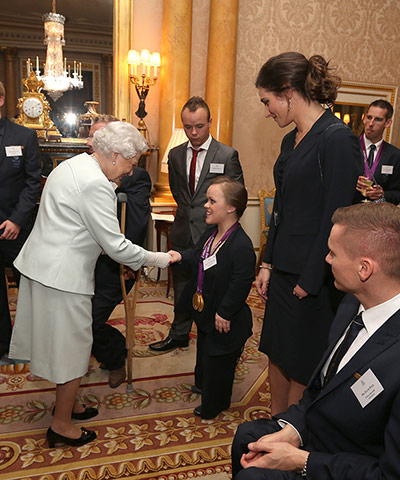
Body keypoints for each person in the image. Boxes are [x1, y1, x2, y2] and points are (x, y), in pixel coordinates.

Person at [9, 121, 170, 448]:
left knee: (63, 346)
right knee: (73, 351)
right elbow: (116, 246)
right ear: (114, 155)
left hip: (43, 268)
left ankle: (68, 406)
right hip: (63, 277)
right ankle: (62, 425)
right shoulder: (95, 184)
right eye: (131, 162)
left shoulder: (73, 165)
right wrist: (162, 259)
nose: (130, 171)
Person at [232, 202, 400, 480]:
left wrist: (302, 461)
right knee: (247, 436)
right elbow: (320, 389)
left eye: (333, 253)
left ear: (364, 268)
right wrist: (293, 431)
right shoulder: (348, 305)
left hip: (349, 464)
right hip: (322, 432)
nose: (326, 259)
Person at [255, 52, 363, 415]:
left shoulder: (337, 138)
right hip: (284, 267)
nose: (267, 111)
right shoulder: (291, 140)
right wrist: (267, 262)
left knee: (302, 362)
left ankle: (292, 436)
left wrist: (311, 278)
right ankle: (274, 424)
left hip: (311, 276)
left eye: (267, 101)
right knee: (277, 352)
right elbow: (281, 208)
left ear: (288, 91)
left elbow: (336, 218)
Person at [150, 96, 244, 353]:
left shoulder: (226, 155)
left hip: (214, 237)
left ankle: (212, 341)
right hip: (182, 233)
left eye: (199, 126)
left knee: (213, 291)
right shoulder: (176, 154)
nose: (193, 133)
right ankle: (179, 333)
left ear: (210, 122)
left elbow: (237, 196)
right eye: (188, 127)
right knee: (182, 290)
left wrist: (219, 231)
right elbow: (180, 194)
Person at [169, 177, 255, 419]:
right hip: (207, 311)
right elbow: (197, 255)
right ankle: (202, 384)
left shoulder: (240, 245)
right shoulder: (211, 233)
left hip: (226, 317)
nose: (206, 205)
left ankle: (214, 405)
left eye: (211, 201)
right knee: (205, 351)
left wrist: (225, 312)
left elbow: (240, 284)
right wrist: (178, 256)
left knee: (219, 361)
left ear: (231, 207)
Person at [88, 115, 152, 388]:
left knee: (88, 321)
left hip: (115, 266)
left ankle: (115, 356)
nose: (94, 144)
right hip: (84, 263)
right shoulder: (85, 173)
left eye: (101, 137)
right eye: (92, 138)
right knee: (75, 319)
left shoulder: (135, 177)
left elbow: (135, 224)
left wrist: (129, 261)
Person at [0, 80, 41, 359]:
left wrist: (17, 219)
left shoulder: (24, 136)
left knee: (29, 289)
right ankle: (3, 344)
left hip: (15, 226)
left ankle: (31, 342)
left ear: (1, 100)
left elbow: (32, 182)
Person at [356, 99, 400, 204]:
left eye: (378, 119)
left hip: (377, 216)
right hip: (348, 213)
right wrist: (351, 182)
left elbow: (397, 194)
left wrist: (382, 195)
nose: (371, 123)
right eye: (369, 117)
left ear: (388, 123)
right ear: (364, 118)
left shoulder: (395, 155)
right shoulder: (349, 147)